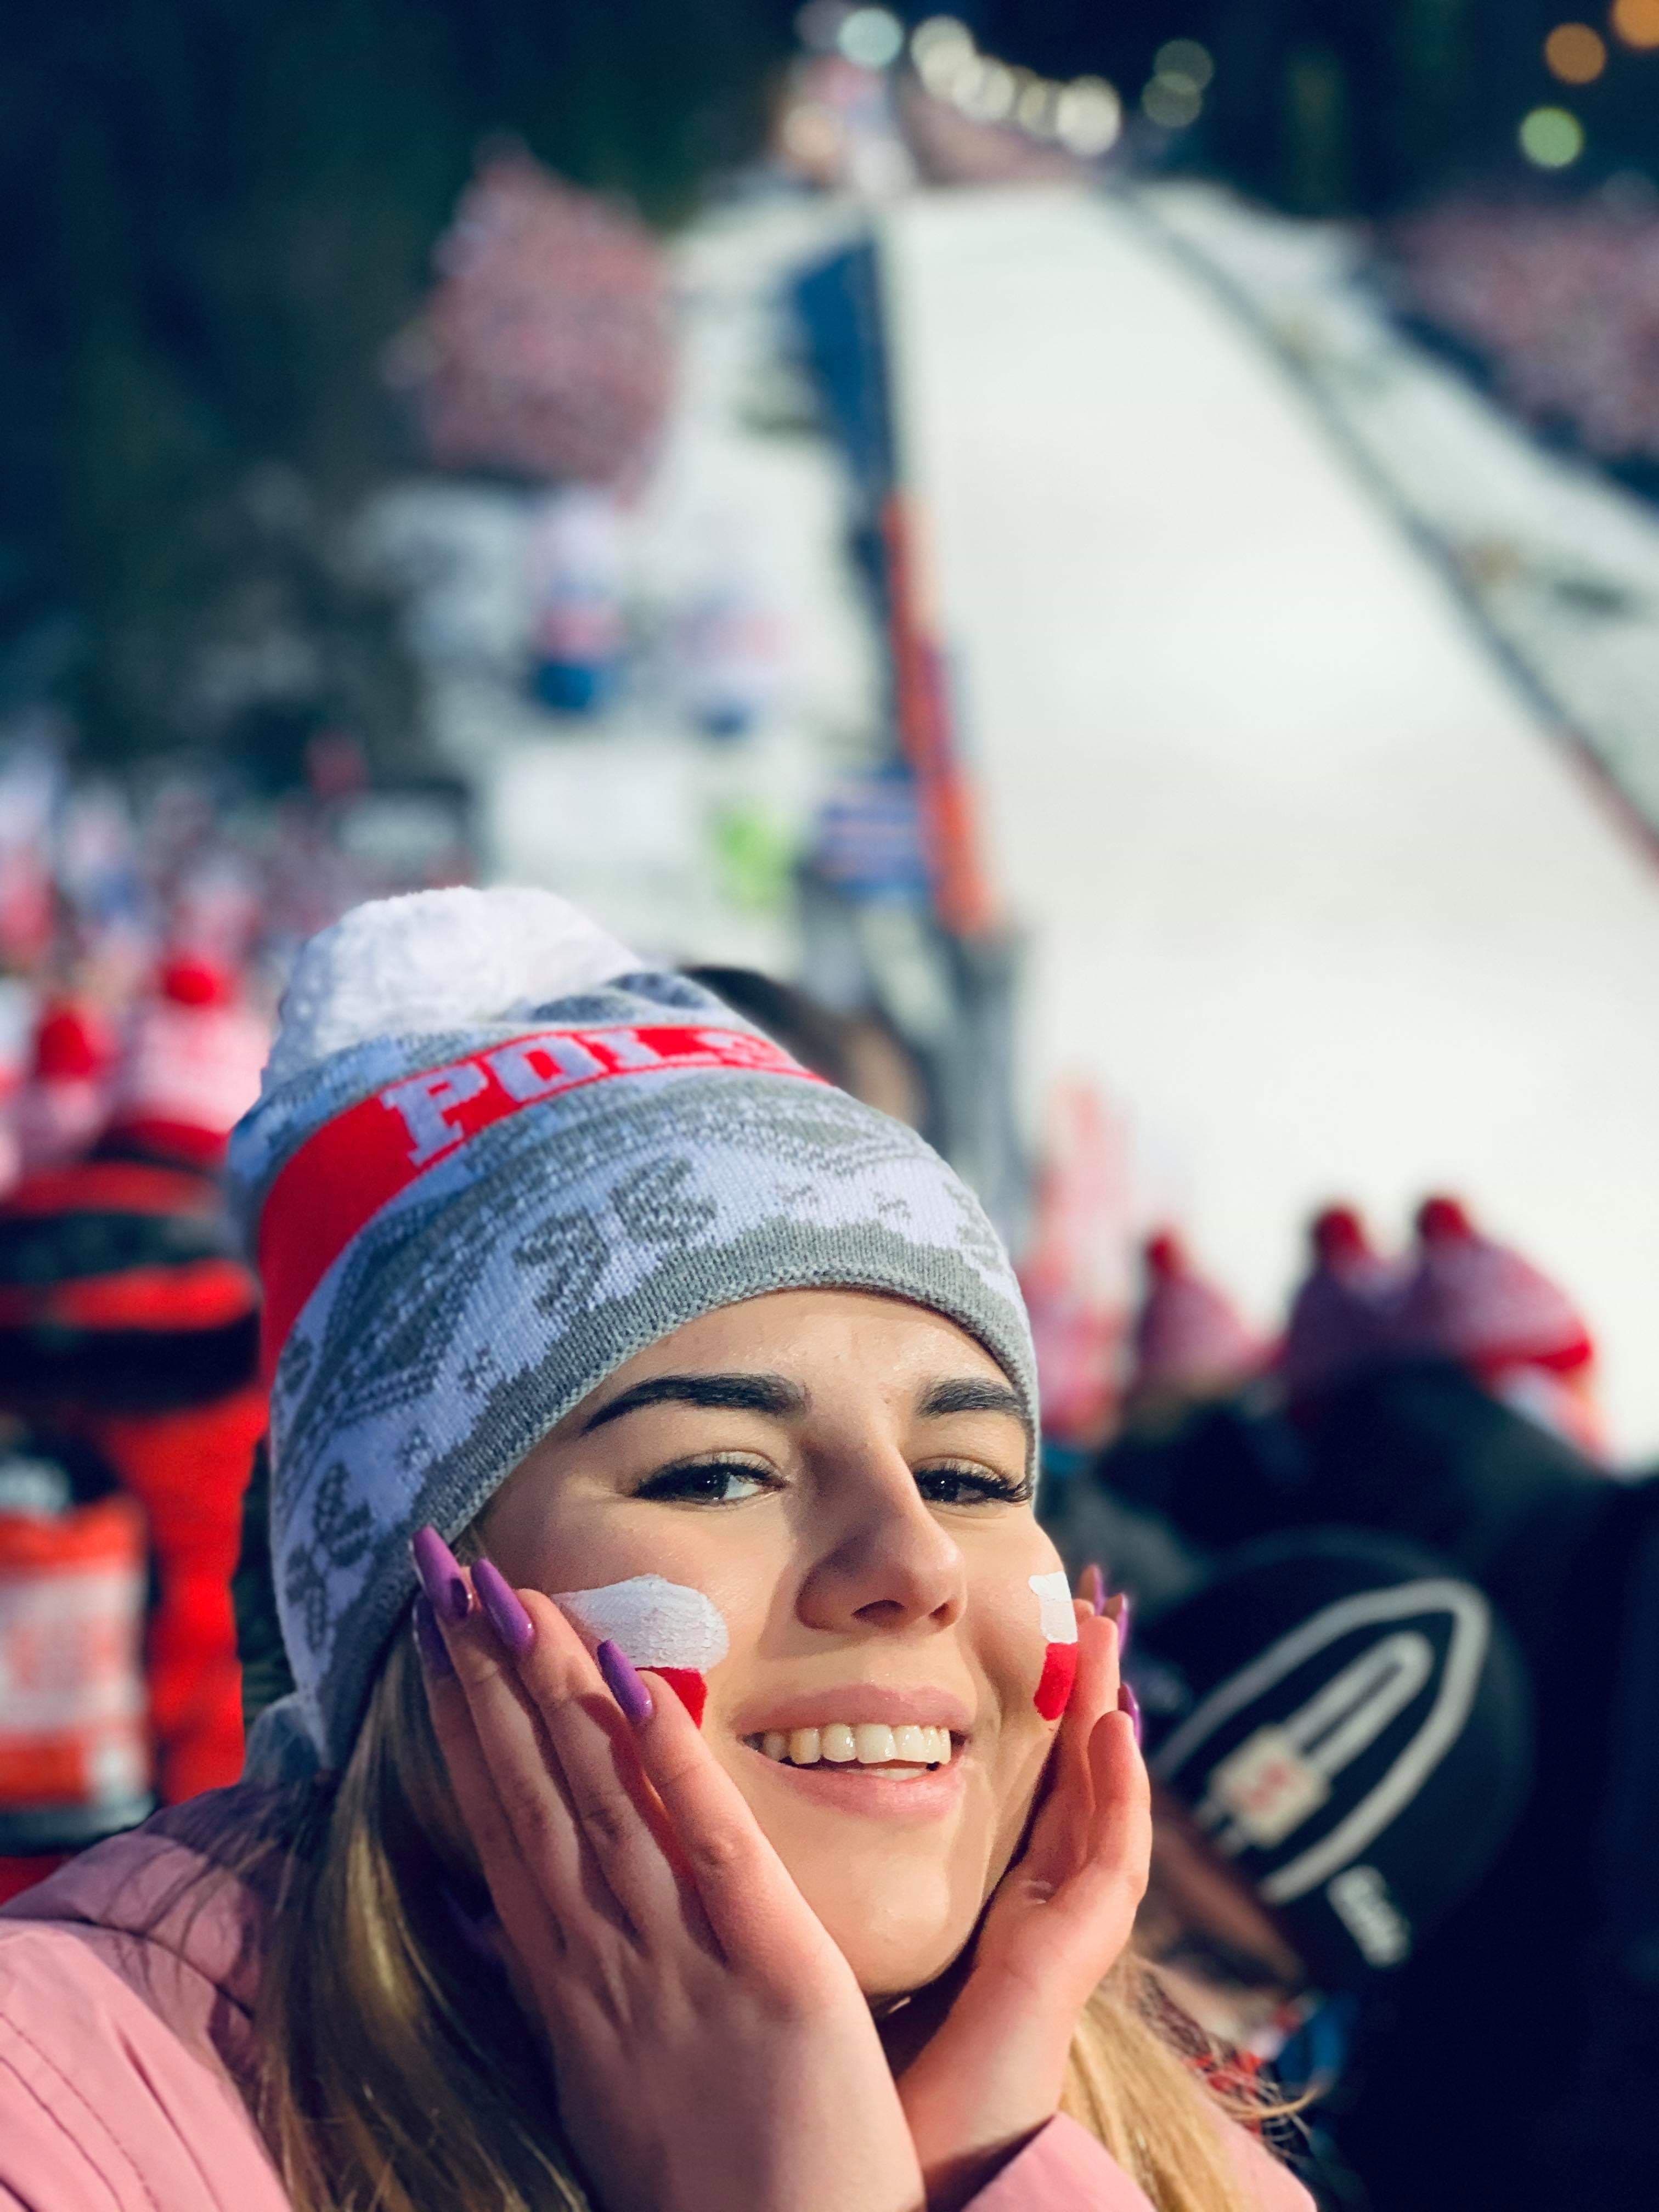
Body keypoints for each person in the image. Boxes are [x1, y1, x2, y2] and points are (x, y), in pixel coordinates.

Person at [0, 887, 1310, 2212]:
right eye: (717, 1472)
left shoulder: (1199, 2181)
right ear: (419, 1599)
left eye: (969, 1476)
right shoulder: (55, 2119)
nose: (913, 1564)